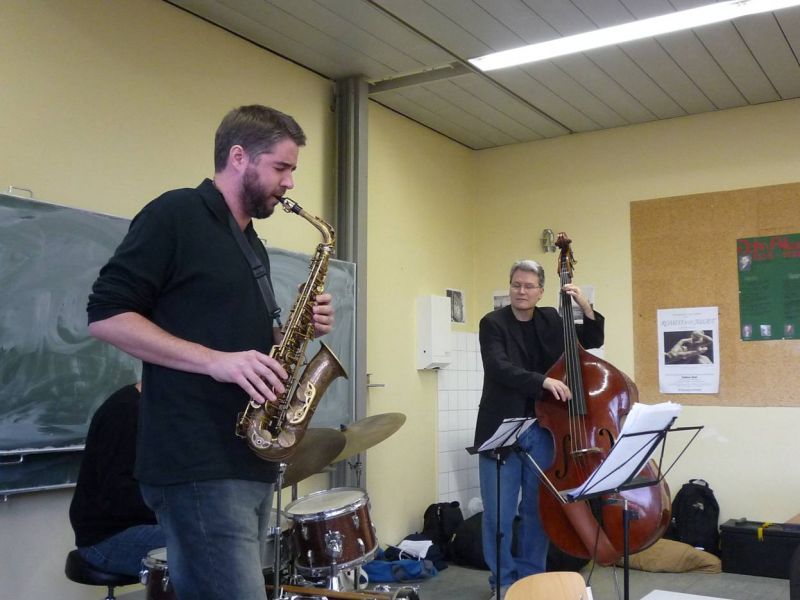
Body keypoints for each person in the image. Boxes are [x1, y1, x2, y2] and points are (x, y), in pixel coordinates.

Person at [86, 105, 334, 600]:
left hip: (244, 455)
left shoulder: (250, 243)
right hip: (197, 460)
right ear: (239, 157)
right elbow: (105, 314)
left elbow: (239, 341)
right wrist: (217, 361)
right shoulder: (176, 214)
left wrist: (298, 327)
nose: (289, 183)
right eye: (281, 168)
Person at [473, 259, 604, 600]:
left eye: (529, 286)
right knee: (498, 517)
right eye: (516, 284)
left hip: (545, 430)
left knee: (537, 512)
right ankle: (502, 584)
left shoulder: (551, 319)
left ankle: (531, 580)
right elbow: (498, 367)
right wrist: (542, 382)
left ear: (541, 291)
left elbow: (590, 341)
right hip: (501, 430)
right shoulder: (492, 323)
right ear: (510, 286)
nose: (521, 291)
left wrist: (584, 305)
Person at [69, 382, 165, 576]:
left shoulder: (155, 411)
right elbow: (117, 497)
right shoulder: (125, 411)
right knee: (200, 542)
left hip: (135, 526)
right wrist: (174, 508)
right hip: (105, 538)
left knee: (211, 534)